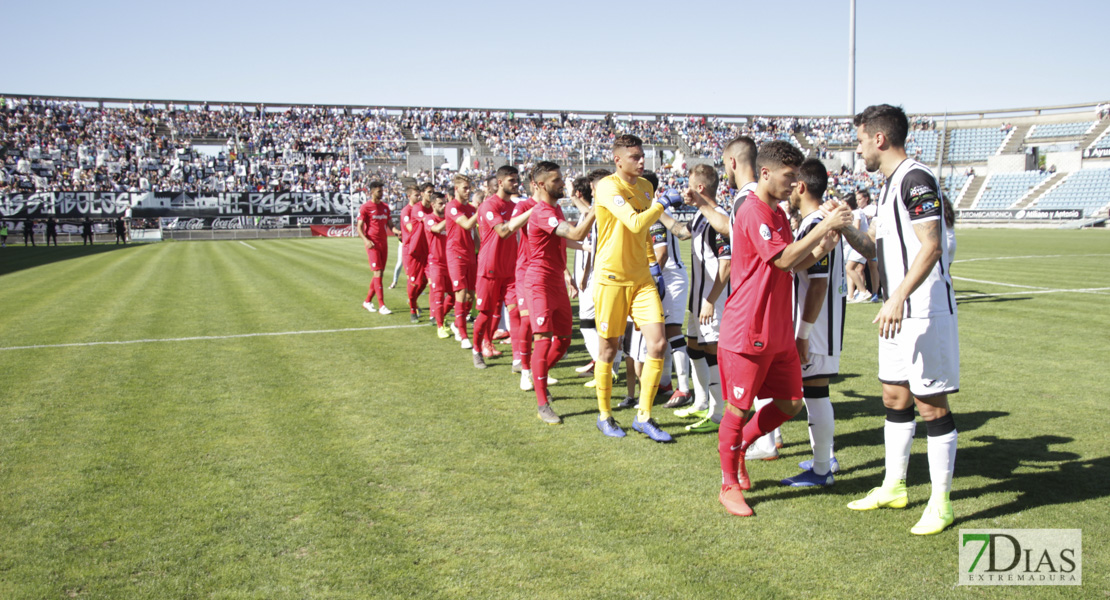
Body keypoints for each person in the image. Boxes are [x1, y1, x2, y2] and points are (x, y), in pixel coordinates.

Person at [697, 140, 850, 518]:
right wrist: (823, 227)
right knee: (737, 410)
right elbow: (782, 260)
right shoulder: (753, 211)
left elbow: (795, 263)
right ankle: (728, 484)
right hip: (748, 328)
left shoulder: (779, 214)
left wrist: (824, 244)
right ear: (765, 173)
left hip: (778, 329)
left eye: (797, 177)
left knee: (789, 404)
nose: (794, 184)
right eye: (788, 176)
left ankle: (741, 447)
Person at [838, 104, 960, 536]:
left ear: (879, 139)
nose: (858, 150)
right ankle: (894, 485)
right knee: (894, 396)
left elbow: (932, 246)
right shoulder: (890, 185)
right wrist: (846, 228)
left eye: (859, 140)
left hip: (923, 309)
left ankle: (941, 502)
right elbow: (875, 250)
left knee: (931, 404)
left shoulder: (915, 178)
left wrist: (898, 298)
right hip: (896, 308)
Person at [591, 134, 684, 442]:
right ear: (618, 160)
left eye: (642, 156)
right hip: (612, 279)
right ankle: (604, 415)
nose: (642, 161)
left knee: (657, 344)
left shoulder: (645, 187)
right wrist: (662, 204)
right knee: (610, 349)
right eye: (635, 157)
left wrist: (653, 267)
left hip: (642, 279)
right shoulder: (607, 187)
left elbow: (643, 234)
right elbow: (633, 221)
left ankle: (643, 415)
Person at [780, 158, 847, 487]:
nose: (789, 190)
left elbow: (817, 282)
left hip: (815, 325)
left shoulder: (814, 224)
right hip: (823, 322)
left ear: (802, 187)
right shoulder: (820, 221)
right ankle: (824, 458)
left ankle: (822, 469)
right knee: (815, 392)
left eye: (793, 184)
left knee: (815, 392)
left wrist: (803, 334)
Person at [525, 161, 595, 424]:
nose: (562, 183)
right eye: (556, 180)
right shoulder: (542, 212)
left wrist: (581, 248)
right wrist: (597, 206)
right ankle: (543, 403)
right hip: (539, 283)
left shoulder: (553, 209)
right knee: (543, 340)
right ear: (541, 184)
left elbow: (562, 239)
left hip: (555, 281)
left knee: (564, 340)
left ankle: (538, 373)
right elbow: (575, 230)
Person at [675, 165, 730, 434]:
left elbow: (727, 264)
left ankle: (718, 413)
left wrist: (710, 300)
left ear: (699, 188)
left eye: (689, 183)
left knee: (712, 353)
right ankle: (701, 401)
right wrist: (655, 209)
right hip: (697, 302)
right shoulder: (699, 216)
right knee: (694, 347)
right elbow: (680, 232)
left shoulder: (718, 218)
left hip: (713, 301)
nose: (685, 187)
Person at [472, 165, 532, 369]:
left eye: (517, 180)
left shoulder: (515, 206)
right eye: (511, 181)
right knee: (485, 313)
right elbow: (503, 231)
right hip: (489, 269)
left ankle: (517, 358)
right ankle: (476, 350)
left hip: (511, 270)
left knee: (515, 313)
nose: (516, 184)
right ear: (500, 182)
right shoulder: (489, 206)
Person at [445, 174, 481, 350]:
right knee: (461, 293)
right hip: (455, 254)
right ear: (456, 189)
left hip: (469, 255)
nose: (468, 191)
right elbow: (466, 225)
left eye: (469, 188)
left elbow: (473, 234)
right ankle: (464, 335)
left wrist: (480, 252)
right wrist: (480, 210)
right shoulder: (452, 207)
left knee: (470, 295)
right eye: (465, 188)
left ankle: (457, 324)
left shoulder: (472, 209)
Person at [357, 182, 398, 315]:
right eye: (379, 191)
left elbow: (390, 225)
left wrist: (398, 232)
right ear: (372, 192)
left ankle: (367, 301)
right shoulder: (365, 207)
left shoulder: (385, 207)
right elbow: (359, 227)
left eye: (382, 191)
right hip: (372, 244)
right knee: (378, 273)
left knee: (378, 275)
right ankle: (382, 305)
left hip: (383, 243)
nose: (382, 194)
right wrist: (366, 240)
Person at [423, 192, 454, 337]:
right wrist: (450, 217)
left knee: (456, 295)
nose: (444, 206)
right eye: (441, 204)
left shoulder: (449, 220)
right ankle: (440, 326)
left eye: (445, 203)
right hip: (436, 263)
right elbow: (436, 229)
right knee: (439, 296)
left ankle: (440, 315)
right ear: (432, 204)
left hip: (451, 262)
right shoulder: (429, 219)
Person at [402, 184, 433, 322]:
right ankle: (412, 308)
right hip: (415, 251)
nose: (431, 195)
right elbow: (427, 221)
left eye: (433, 192)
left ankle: (434, 315)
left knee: (431, 282)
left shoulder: (433, 208)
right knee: (415, 283)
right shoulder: (416, 208)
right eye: (428, 192)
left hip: (429, 251)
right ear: (422, 194)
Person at [844, 194, 872, 302]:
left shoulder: (857, 213)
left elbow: (856, 229)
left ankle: (863, 291)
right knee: (850, 269)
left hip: (861, 244)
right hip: (857, 245)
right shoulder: (853, 213)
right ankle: (850, 295)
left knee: (849, 268)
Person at [390, 186, 417, 289]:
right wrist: (399, 233)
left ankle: (416, 287)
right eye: (416, 195)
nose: (418, 197)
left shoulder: (418, 209)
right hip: (404, 244)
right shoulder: (406, 211)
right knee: (400, 263)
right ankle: (394, 281)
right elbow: (404, 228)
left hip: (415, 243)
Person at [857, 189, 881, 302]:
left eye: (860, 199)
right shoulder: (858, 211)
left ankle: (876, 291)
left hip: (873, 240)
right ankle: (869, 290)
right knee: (863, 268)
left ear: (866, 199)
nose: (858, 201)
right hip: (865, 241)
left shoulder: (873, 209)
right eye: (856, 199)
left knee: (873, 266)